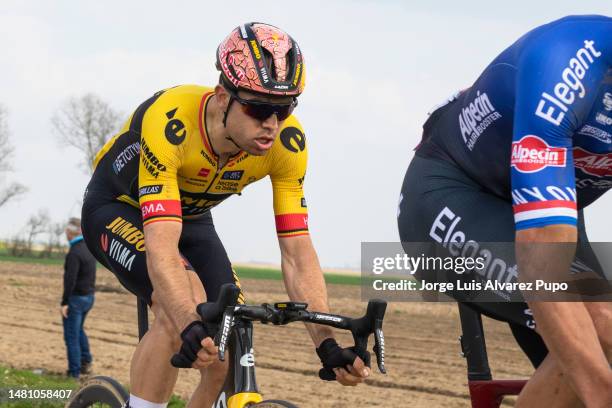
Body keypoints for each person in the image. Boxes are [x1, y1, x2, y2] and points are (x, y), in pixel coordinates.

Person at [81, 22, 370, 408]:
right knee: (182, 306)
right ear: (222, 97)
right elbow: (162, 245)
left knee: (230, 322)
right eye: (258, 108)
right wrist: (186, 319)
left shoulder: (286, 144)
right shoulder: (172, 123)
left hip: (193, 218)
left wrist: (327, 342)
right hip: (120, 208)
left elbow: (298, 254)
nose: (271, 123)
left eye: (284, 109)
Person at [397, 15, 612, 407]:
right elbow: (543, 262)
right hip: (451, 195)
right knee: (601, 321)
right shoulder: (566, 62)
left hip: (547, 210)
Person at [61, 217, 96, 379]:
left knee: (71, 335)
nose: (66, 234)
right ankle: (86, 360)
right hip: (88, 297)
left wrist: (65, 302)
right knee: (79, 330)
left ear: (71, 232)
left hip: (75, 300)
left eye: (67, 231)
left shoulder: (74, 252)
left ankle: (73, 373)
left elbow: (70, 280)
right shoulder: (88, 248)